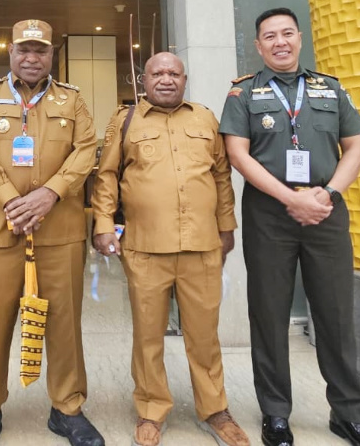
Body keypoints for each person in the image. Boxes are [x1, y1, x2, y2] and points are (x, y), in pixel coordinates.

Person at [219, 7, 360, 446]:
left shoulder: (330, 88)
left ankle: (349, 414)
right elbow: (238, 154)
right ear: (258, 45)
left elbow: (355, 148)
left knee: (336, 315)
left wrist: (326, 194)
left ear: (299, 38)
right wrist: (291, 198)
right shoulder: (243, 94)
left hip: (326, 213)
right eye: (270, 36)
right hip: (269, 215)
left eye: (287, 33)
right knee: (269, 314)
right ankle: (276, 413)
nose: (280, 42)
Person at [91, 52, 249, 446]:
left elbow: (221, 176)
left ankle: (214, 410)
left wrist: (227, 227)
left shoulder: (205, 118)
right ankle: (150, 409)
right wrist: (103, 224)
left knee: (204, 335)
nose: (166, 79)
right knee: (148, 335)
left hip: (202, 245)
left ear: (184, 79)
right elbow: (107, 176)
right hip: (145, 247)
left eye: (173, 73)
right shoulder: (124, 121)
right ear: (143, 80)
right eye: (157, 73)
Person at [0, 19, 103, 446]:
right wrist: (11, 200)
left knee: (64, 322)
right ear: (10, 52)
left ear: (51, 54)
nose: (31, 57)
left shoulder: (72, 100)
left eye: (40, 50)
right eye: (24, 49)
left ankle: (67, 408)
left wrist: (50, 193)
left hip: (59, 228)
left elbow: (86, 150)